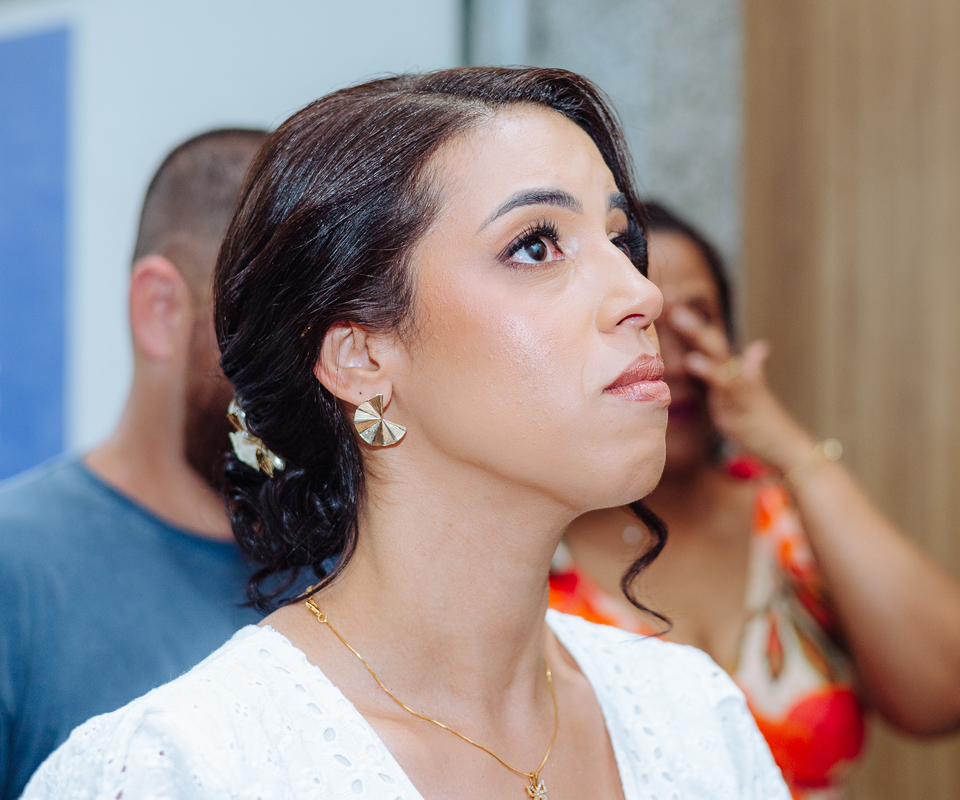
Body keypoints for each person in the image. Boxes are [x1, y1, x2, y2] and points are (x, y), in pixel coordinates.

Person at [21, 69, 791, 800]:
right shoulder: (181, 769)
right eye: (536, 245)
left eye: (619, 239)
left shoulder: (695, 723)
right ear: (362, 356)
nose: (641, 293)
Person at [552, 202, 960, 798]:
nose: (676, 361)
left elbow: (953, 696)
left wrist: (787, 448)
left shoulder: (788, 522)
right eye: (644, 323)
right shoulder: (534, 548)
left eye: (698, 321)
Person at [0, 128, 267, 799]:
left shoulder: (347, 568)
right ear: (161, 309)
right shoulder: (18, 572)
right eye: (268, 323)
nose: (310, 373)